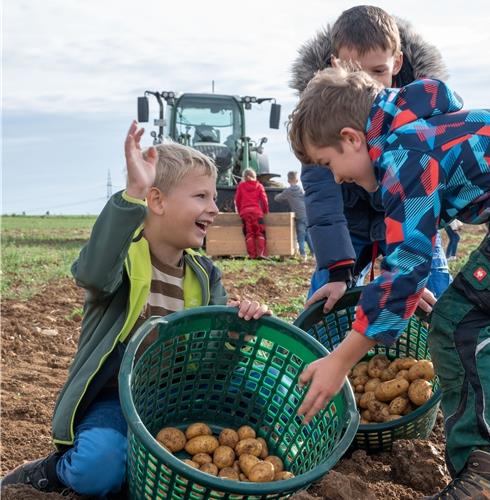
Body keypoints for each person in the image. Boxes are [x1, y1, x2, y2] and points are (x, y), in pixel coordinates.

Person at [288, 68, 490, 500]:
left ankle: (486, 478)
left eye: (329, 164)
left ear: (352, 138)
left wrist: (340, 361)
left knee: (458, 325)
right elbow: (410, 241)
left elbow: (407, 262)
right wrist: (389, 282)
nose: (335, 178)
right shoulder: (419, 129)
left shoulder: (403, 150)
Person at [0, 123, 272, 497]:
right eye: (201, 197)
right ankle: (52, 471)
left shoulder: (206, 276)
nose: (215, 208)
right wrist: (132, 195)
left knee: (252, 413)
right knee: (100, 468)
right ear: (157, 201)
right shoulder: (122, 262)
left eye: (213, 198)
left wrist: (236, 333)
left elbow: (211, 364)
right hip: (115, 399)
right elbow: (93, 272)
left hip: (178, 399)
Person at [290, 5, 451, 314]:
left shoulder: (422, 112)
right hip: (349, 220)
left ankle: (442, 353)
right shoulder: (320, 116)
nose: (368, 84)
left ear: (397, 63)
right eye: (354, 71)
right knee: (327, 295)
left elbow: (434, 187)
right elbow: (322, 195)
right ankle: (323, 352)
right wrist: (338, 267)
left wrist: (411, 268)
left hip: (410, 215)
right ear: (335, 64)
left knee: (435, 293)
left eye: (378, 72)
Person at [275, 171, 314, 261]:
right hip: (306, 214)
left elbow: (277, 198)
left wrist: (277, 195)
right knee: (308, 235)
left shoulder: (288, 191)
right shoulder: (300, 189)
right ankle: (313, 254)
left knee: (300, 236)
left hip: (299, 216)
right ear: (297, 180)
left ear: (288, 180)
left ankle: (303, 255)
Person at [234, 167, 269, 259]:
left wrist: (239, 211)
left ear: (244, 177)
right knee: (260, 233)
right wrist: (265, 210)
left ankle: (252, 255)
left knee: (249, 234)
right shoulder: (259, 186)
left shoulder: (241, 186)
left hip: (245, 214)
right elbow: (264, 200)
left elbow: (237, 200)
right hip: (257, 213)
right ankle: (261, 254)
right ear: (255, 176)